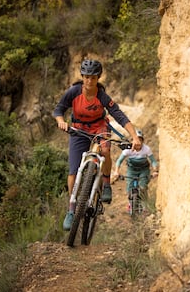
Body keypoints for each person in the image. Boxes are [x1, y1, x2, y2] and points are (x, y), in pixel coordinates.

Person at [53, 59, 142, 231]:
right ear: (82, 77)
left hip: (100, 128)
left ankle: (106, 183)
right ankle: (71, 209)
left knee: (105, 152)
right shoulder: (73, 92)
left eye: (93, 78)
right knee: (73, 172)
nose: (89, 81)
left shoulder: (102, 96)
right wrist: (60, 121)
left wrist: (134, 137)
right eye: (86, 77)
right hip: (78, 130)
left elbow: (120, 116)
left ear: (98, 78)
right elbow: (59, 109)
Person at [113, 129, 158, 213]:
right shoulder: (128, 149)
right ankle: (130, 203)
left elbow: (153, 161)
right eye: (137, 139)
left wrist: (155, 170)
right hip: (132, 170)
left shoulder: (146, 149)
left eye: (140, 140)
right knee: (129, 187)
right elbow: (119, 161)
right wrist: (116, 171)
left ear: (142, 141)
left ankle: (145, 206)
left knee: (143, 187)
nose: (138, 142)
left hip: (143, 170)